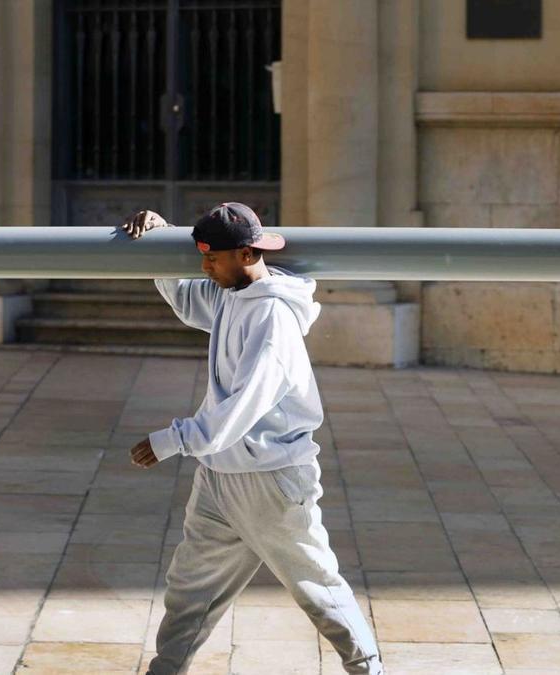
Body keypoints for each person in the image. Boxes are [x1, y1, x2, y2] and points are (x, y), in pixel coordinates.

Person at [122, 203, 383, 675]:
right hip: (219, 478)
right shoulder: (231, 294)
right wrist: (162, 233)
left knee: (316, 588)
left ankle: (370, 670)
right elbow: (186, 299)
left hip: (272, 480)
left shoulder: (273, 318)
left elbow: (244, 405)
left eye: (211, 259)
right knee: (190, 589)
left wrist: (174, 439)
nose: (204, 268)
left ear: (245, 254)